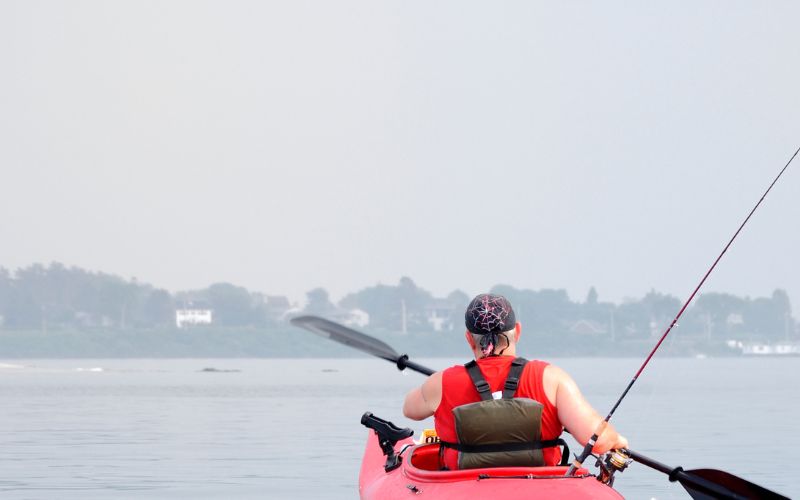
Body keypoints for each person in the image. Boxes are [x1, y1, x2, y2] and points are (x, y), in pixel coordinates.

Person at [403, 293, 628, 470]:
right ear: (517, 331)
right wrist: (618, 440)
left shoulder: (440, 383)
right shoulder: (552, 379)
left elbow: (409, 409)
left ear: (469, 339)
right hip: (541, 486)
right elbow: (597, 441)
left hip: (463, 486)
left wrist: (445, 386)